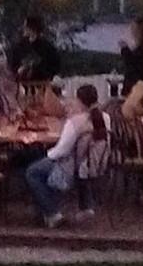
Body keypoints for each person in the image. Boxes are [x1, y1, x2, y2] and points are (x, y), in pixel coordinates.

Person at [24, 84, 111, 228]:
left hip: (75, 167)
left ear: (79, 101)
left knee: (32, 171)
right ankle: (84, 206)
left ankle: (52, 213)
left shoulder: (75, 122)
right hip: (97, 164)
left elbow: (62, 150)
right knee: (43, 165)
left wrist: (46, 154)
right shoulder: (106, 118)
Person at [7, 15, 61, 83]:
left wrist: (40, 71)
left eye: (26, 26)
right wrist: (18, 69)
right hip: (22, 86)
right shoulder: (19, 47)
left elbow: (55, 66)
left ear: (32, 28)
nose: (23, 29)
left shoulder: (47, 47)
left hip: (42, 85)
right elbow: (13, 64)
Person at [121, 18, 143, 95]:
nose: (132, 33)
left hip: (137, 91)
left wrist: (125, 50)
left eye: (134, 30)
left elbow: (133, 66)